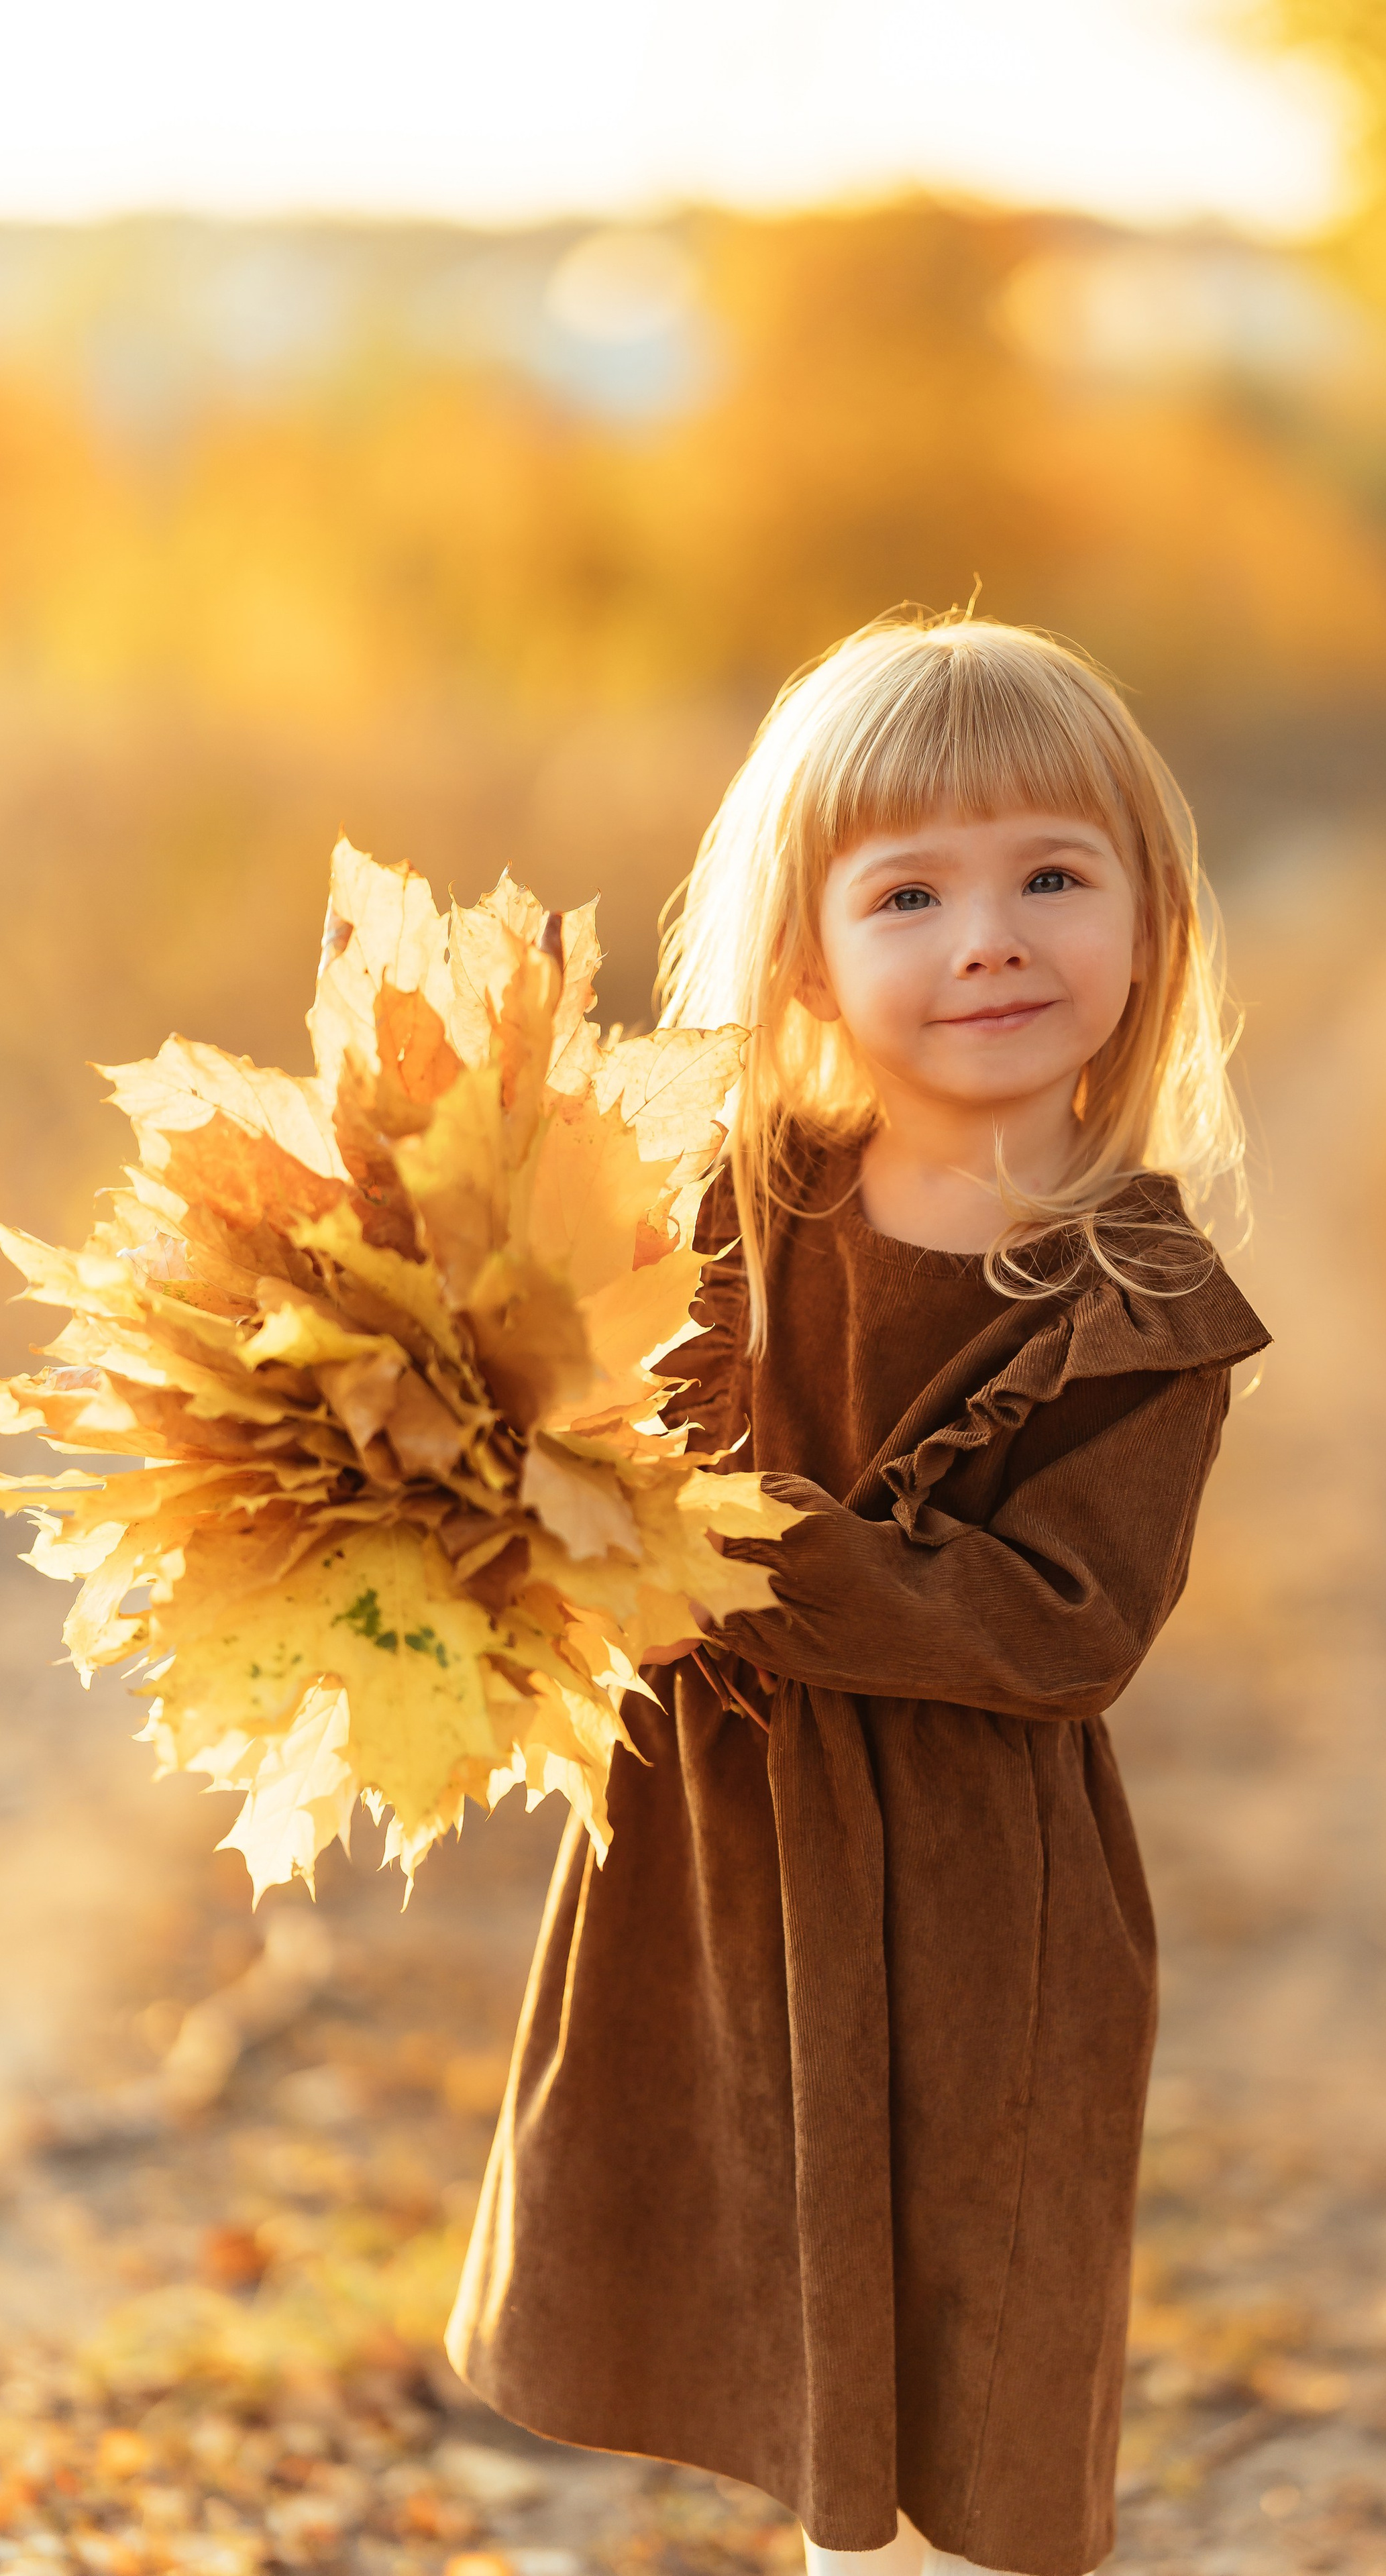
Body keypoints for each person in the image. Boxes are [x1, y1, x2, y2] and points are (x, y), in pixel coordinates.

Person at [446, 614, 1270, 2576]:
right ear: (809, 953)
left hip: (984, 1912)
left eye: (1051, 876)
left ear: (1147, 923)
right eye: (910, 890)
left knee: (973, 2395)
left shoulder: (1140, 1306)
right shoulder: (713, 1207)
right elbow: (561, 1456)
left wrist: (717, 1543)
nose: (989, 936)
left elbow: (1054, 1623)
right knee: (784, 2355)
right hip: (718, 1880)